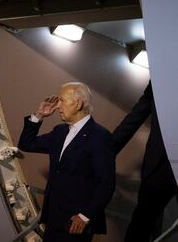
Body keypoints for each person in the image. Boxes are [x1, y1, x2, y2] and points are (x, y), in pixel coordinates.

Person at [18, 82, 116, 242]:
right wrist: (39, 115)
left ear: (78, 103)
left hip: (76, 223)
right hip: (53, 218)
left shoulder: (100, 136)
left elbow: (106, 183)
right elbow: (26, 144)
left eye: (62, 100)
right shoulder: (60, 131)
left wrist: (85, 216)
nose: (57, 106)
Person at [112, 81, 178, 242]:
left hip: (160, 166)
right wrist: (105, 152)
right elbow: (137, 114)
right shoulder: (161, 70)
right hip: (160, 166)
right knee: (141, 226)